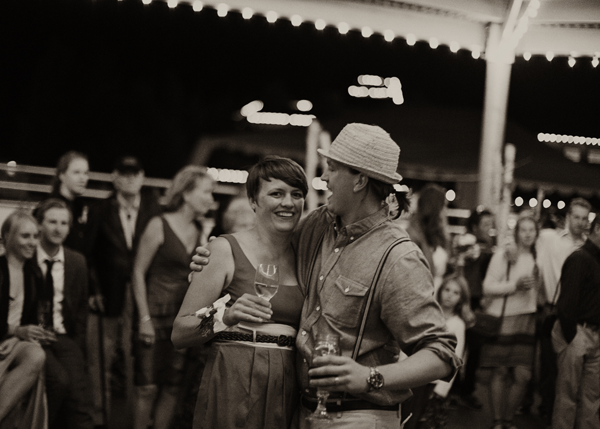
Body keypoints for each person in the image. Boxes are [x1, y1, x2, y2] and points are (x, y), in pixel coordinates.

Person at [191, 123, 461, 429]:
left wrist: (370, 377)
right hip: (304, 412)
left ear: (359, 179)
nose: (323, 178)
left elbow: (441, 354)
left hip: (359, 416)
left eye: (331, 169)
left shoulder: (399, 257)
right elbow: (262, 249)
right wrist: (213, 257)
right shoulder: (318, 225)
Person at [172, 156, 307, 429]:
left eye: (296, 194)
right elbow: (180, 333)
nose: (288, 203)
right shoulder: (223, 250)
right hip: (233, 376)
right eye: (276, 194)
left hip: (288, 382)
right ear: (253, 201)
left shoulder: (307, 254)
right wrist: (226, 315)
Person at [132, 165, 214, 429]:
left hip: (182, 316)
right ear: (187, 193)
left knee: (173, 385)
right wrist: (143, 318)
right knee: (147, 386)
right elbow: (137, 272)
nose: (211, 198)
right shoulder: (159, 223)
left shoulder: (202, 230)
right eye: (206, 191)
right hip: (154, 313)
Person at [86, 156, 162, 427]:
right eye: (124, 173)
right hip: (108, 293)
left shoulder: (154, 209)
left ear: (142, 177)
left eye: (135, 173)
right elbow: (89, 252)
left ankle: (135, 420)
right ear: (114, 177)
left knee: (138, 360)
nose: (130, 178)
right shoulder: (100, 209)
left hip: (144, 295)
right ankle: (99, 419)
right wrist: (93, 289)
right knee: (101, 360)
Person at [33, 199, 94, 429]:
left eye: (64, 223)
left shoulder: (76, 261)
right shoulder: (28, 256)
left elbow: (80, 310)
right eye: (52, 222)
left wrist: (77, 345)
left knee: (79, 396)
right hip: (33, 334)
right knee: (59, 381)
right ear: (39, 224)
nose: (59, 228)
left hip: (63, 335)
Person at [480, 211, 541, 429]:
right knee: (500, 370)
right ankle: (498, 422)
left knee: (523, 375)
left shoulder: (538, 255)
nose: (527, 234)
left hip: (527, 319)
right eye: (523, 230)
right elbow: (486, 287)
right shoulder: (504, 255)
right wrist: (514, 286)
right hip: (504, 318)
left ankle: (508, 418)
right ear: (516, 233)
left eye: (531, 230)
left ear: (537, 233)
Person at [535, 197, 591, 421]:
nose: (580, 222)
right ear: (568, 217)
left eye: (584, 218)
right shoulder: (549, 239)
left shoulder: (590, 248)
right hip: (551, 311)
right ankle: (547, 414)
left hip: (577, 316)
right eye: (576, 217)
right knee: (549, 368)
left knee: (571, 375)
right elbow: (523, 235)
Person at [551, 212, 600, 429]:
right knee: (567, 397)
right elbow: (566, 304)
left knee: (591, 399)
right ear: (598, 229)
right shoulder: (580, 258)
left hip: (594, 336)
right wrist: (573, 336)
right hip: (578, 333)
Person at [0, 210, 47, 429]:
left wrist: (20, 336)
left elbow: (37, 319)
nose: (32, 242)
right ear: (7, 237)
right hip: (7, 337)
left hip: (12, 341)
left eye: (35, 236)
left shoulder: (34, 273)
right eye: (25, 236)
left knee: (36, 354)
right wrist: (15, 332)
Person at [421, 274, 474, 429]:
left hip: (435, 383)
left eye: (456, 292)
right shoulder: (428, 315)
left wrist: (442, 390)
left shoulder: (457, 325)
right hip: (416, 378)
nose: (450, 295)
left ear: (461, 298)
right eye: (447, 289)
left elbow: (455, 359)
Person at [455, 208, 496, 409]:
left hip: (479, 300)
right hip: (464, 298)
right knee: (458, 346)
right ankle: (453, 389)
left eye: (491, 224)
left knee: (475, 348)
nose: (490, 229)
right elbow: (462, 258)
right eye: (486, 224)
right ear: (474, 226)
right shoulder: (467, 242)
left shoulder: (488, 245)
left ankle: (466, 390)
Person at [406, 183, 450, 291]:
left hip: (437, 291)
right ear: (435, 207)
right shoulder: (413, 234)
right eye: (443, 206)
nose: (445, 211)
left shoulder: (438, 234)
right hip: (421, 291)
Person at [48, 151, 92, 255]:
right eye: (76, 172)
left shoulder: (81, 207)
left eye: (86, 173)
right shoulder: (49, 206)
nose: (83, 178)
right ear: (62, 175)